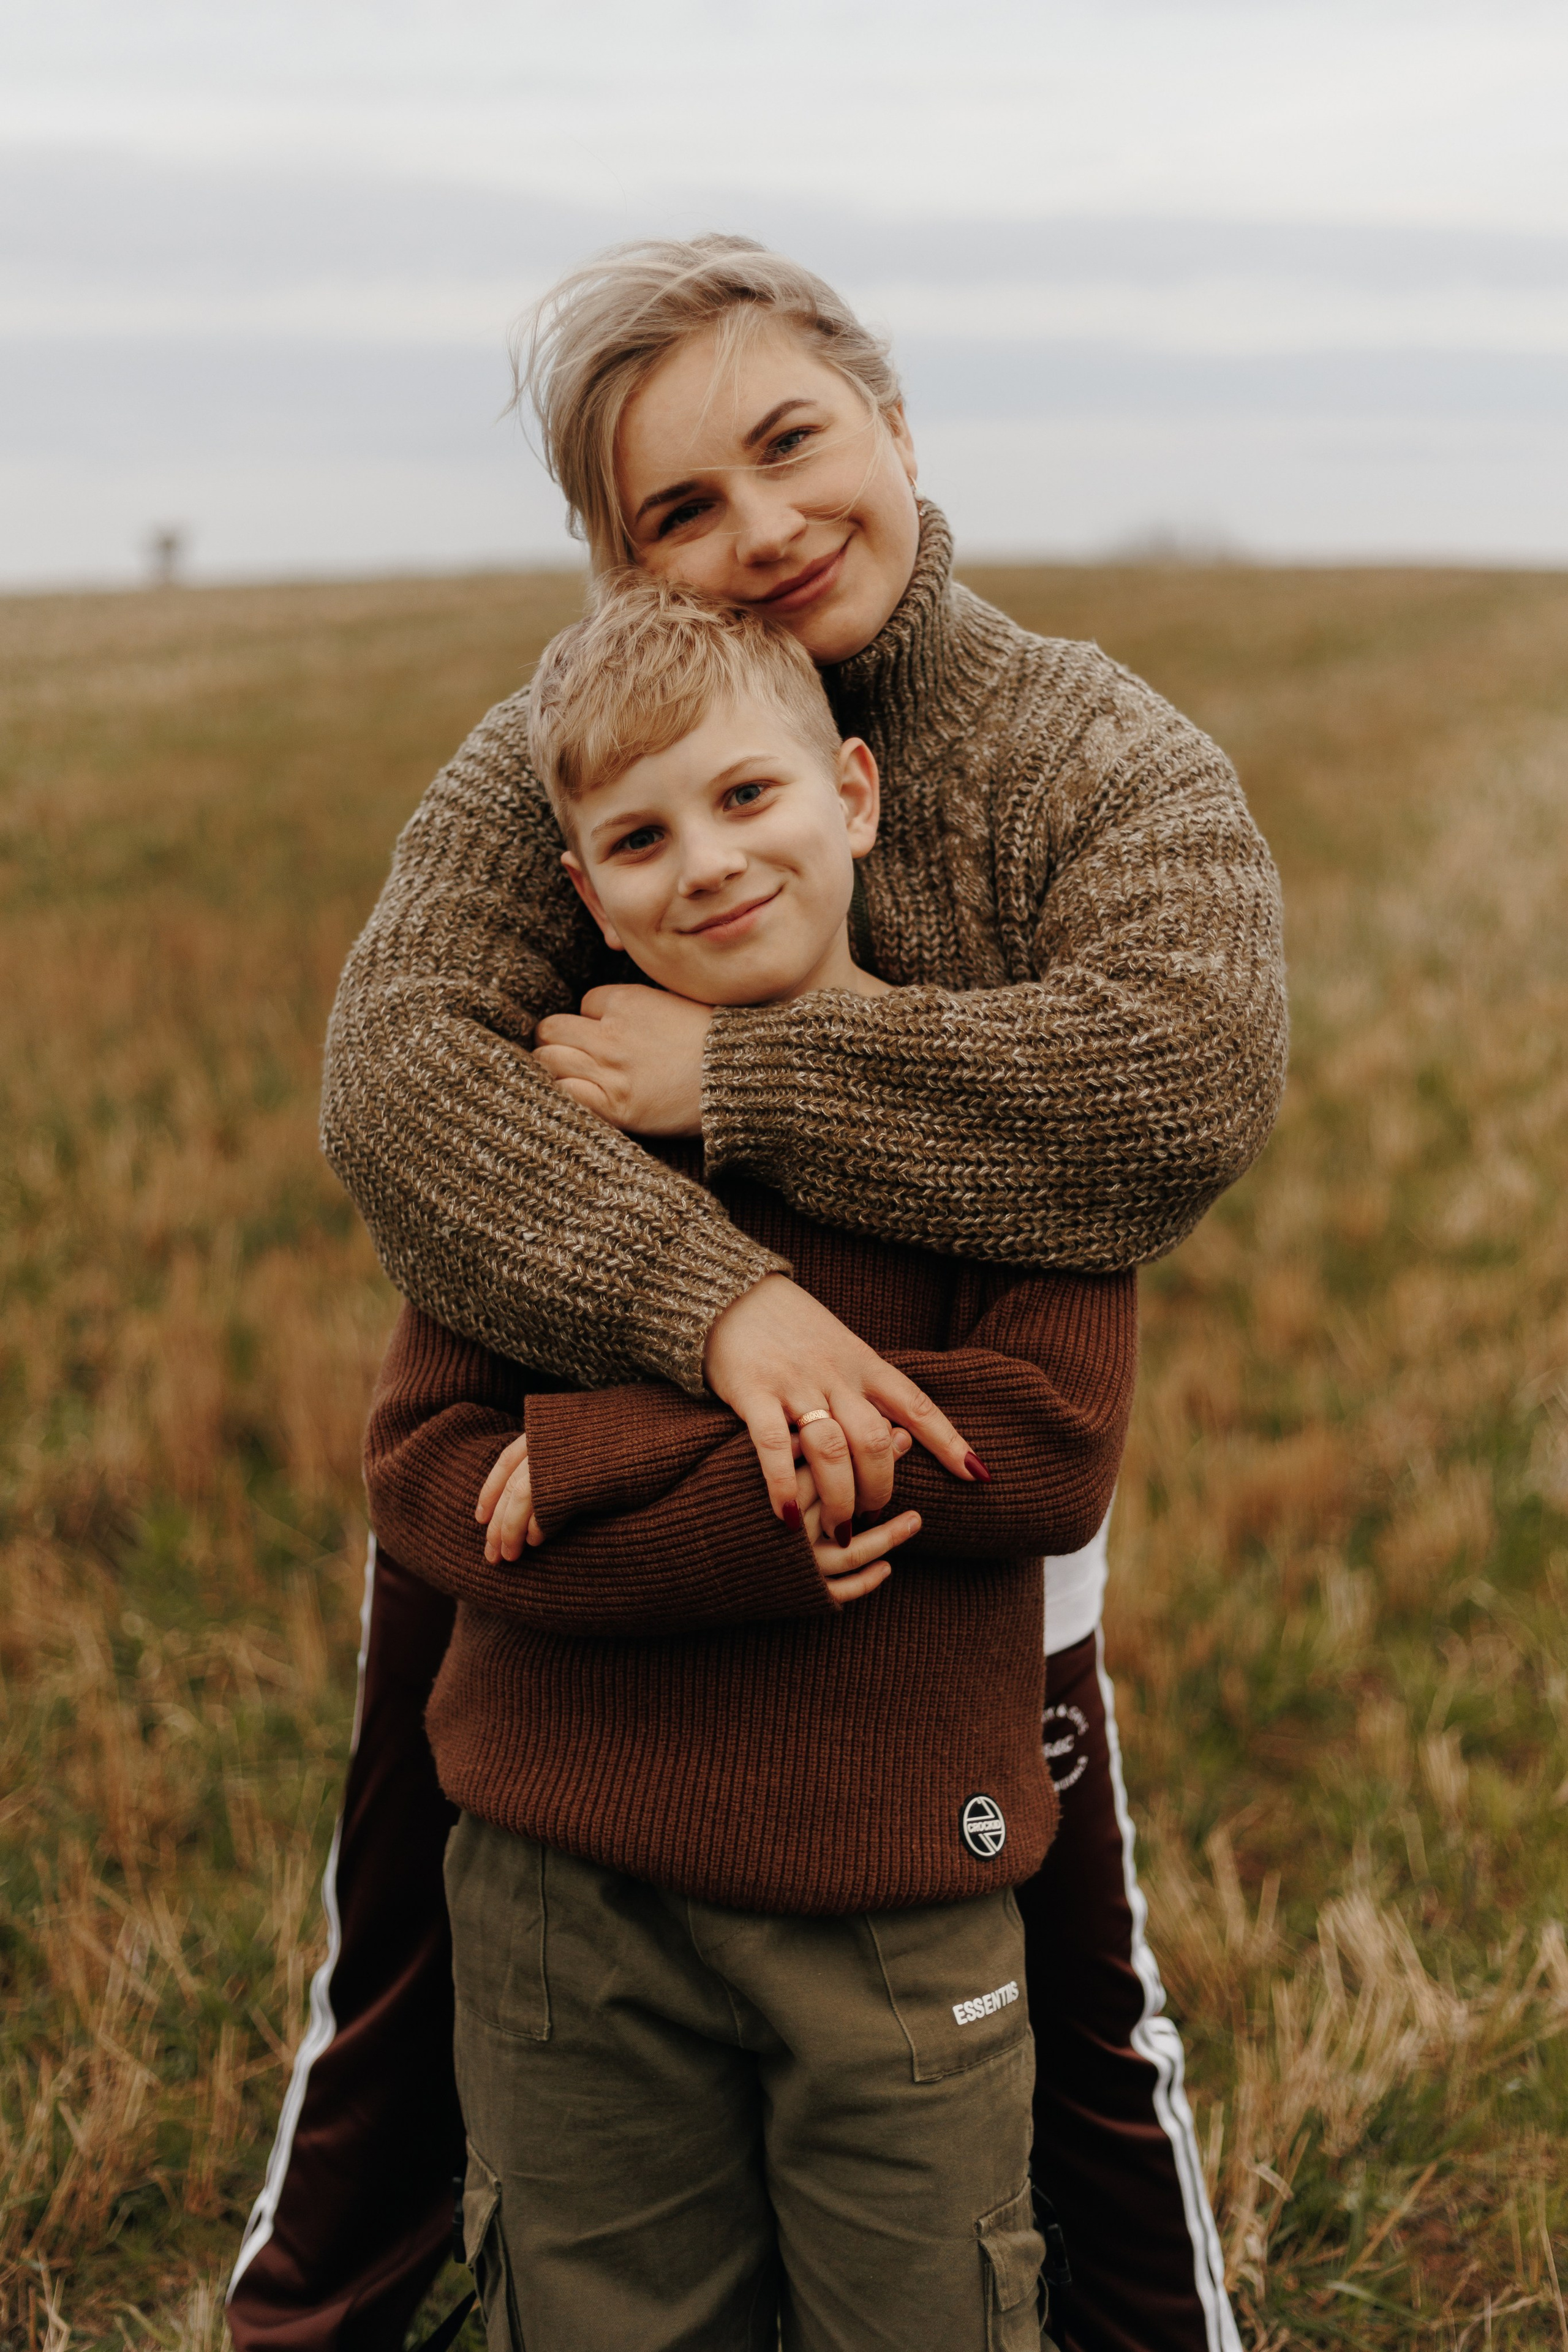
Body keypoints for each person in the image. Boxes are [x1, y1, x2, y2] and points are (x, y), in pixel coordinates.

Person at [227, 235, 1284, 2352]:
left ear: (892, 424)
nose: (762, 531)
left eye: (793, 445)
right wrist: (721, 1310)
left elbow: (1178, 1077)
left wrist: (740, 1074)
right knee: (397, 2011)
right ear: (616, 570)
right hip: (531, 1487)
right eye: (676, 514)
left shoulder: (1087, 750)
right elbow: (398, 1079)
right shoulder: (584, 745)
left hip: (922, 1538)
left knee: (1074, 2016)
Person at [360, 573, 1139, 2349]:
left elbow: (1042, 1448)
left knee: (926, 2316)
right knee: (604, 2319)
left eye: (748, 796)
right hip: (564, 1893)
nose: (704, 862)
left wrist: (620, 1462)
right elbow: (424, 1474)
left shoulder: (1002, 1109)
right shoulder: (538, 1124)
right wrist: (720, 1475)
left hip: (896, 1886)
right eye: (636, 837)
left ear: (851, 796)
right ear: (583, 894)